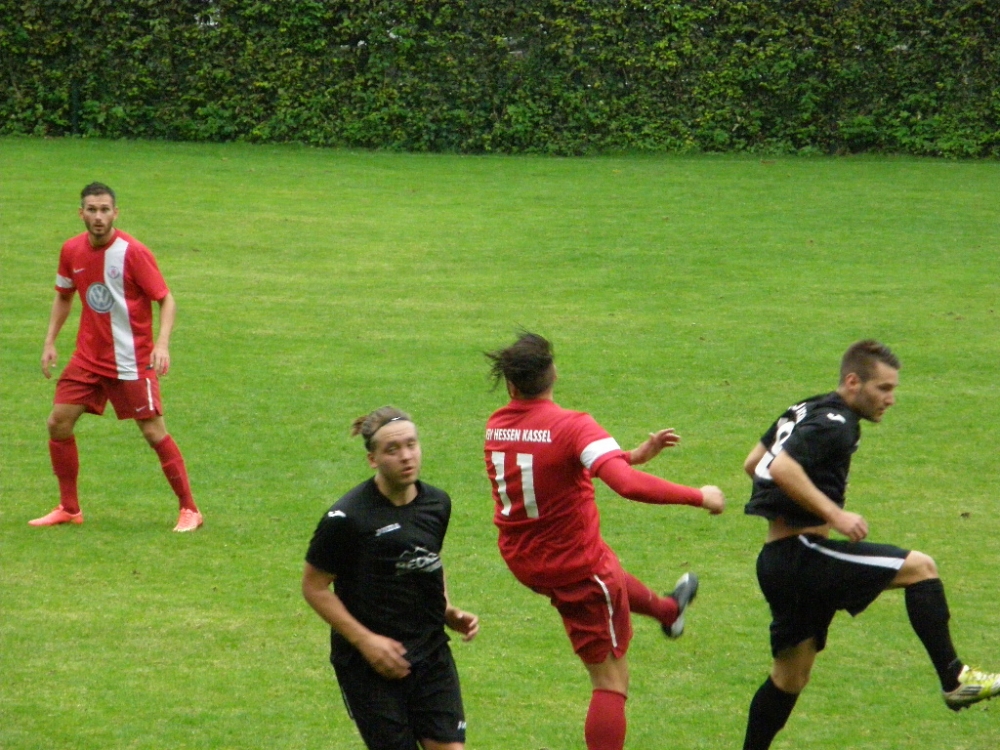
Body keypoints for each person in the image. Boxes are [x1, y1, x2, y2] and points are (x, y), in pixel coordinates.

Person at [742, 339, 1000, 750]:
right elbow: (783, 467)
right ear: (852, 381)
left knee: (789, 678)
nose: (890, 399)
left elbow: (754, 463)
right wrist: (835, 514)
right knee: (921, 568)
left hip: (776, 561)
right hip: (802, 555)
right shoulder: (837, 422)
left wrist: (789, 503)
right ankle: (955, 678)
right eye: (883, 388)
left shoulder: (806, 407)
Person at [482, 332, 725, 750]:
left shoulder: (497, 425)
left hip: (524, 558)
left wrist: (629, 455)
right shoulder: (573, 425)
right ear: (554, 373)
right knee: (611, 681)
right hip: (573, 565)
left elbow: (555, 461)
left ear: (511, 386)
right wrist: (699, 495)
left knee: (608, 575)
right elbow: (626, 486)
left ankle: (668, 611)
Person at [302, 407, 479, 750]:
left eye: (411, 444)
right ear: (373, 459)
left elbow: (427, 558)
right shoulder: (346, 518)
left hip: (430, 652)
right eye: (392, 449)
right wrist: (367, 642)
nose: (406, 456)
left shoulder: (437, 503)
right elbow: (314, 587)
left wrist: (447, 609)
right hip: (369, 666)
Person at [30, 182, 202, 532]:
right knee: (58, 422)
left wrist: (162, 344)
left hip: (131, 360)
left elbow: (166, 299)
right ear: (81, 213)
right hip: (88, 358)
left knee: (153, 432)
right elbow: (64, 295)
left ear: (115, 213)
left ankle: (190, 509)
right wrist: (50, 341)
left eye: (105, 210)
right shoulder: (71, 250)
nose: (98, 216)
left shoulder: (132, 252)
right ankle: (69, 508)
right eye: (92, 210)